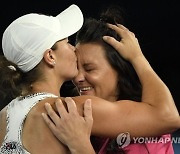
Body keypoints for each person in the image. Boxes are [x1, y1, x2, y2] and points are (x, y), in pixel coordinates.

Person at [0, 4, 180, 154]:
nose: (72, 50)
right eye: (67, 43)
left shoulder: (3, 116)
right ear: (50, 56)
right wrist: (138, 57)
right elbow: (168, 117)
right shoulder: (72, 110)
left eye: (89, 68)